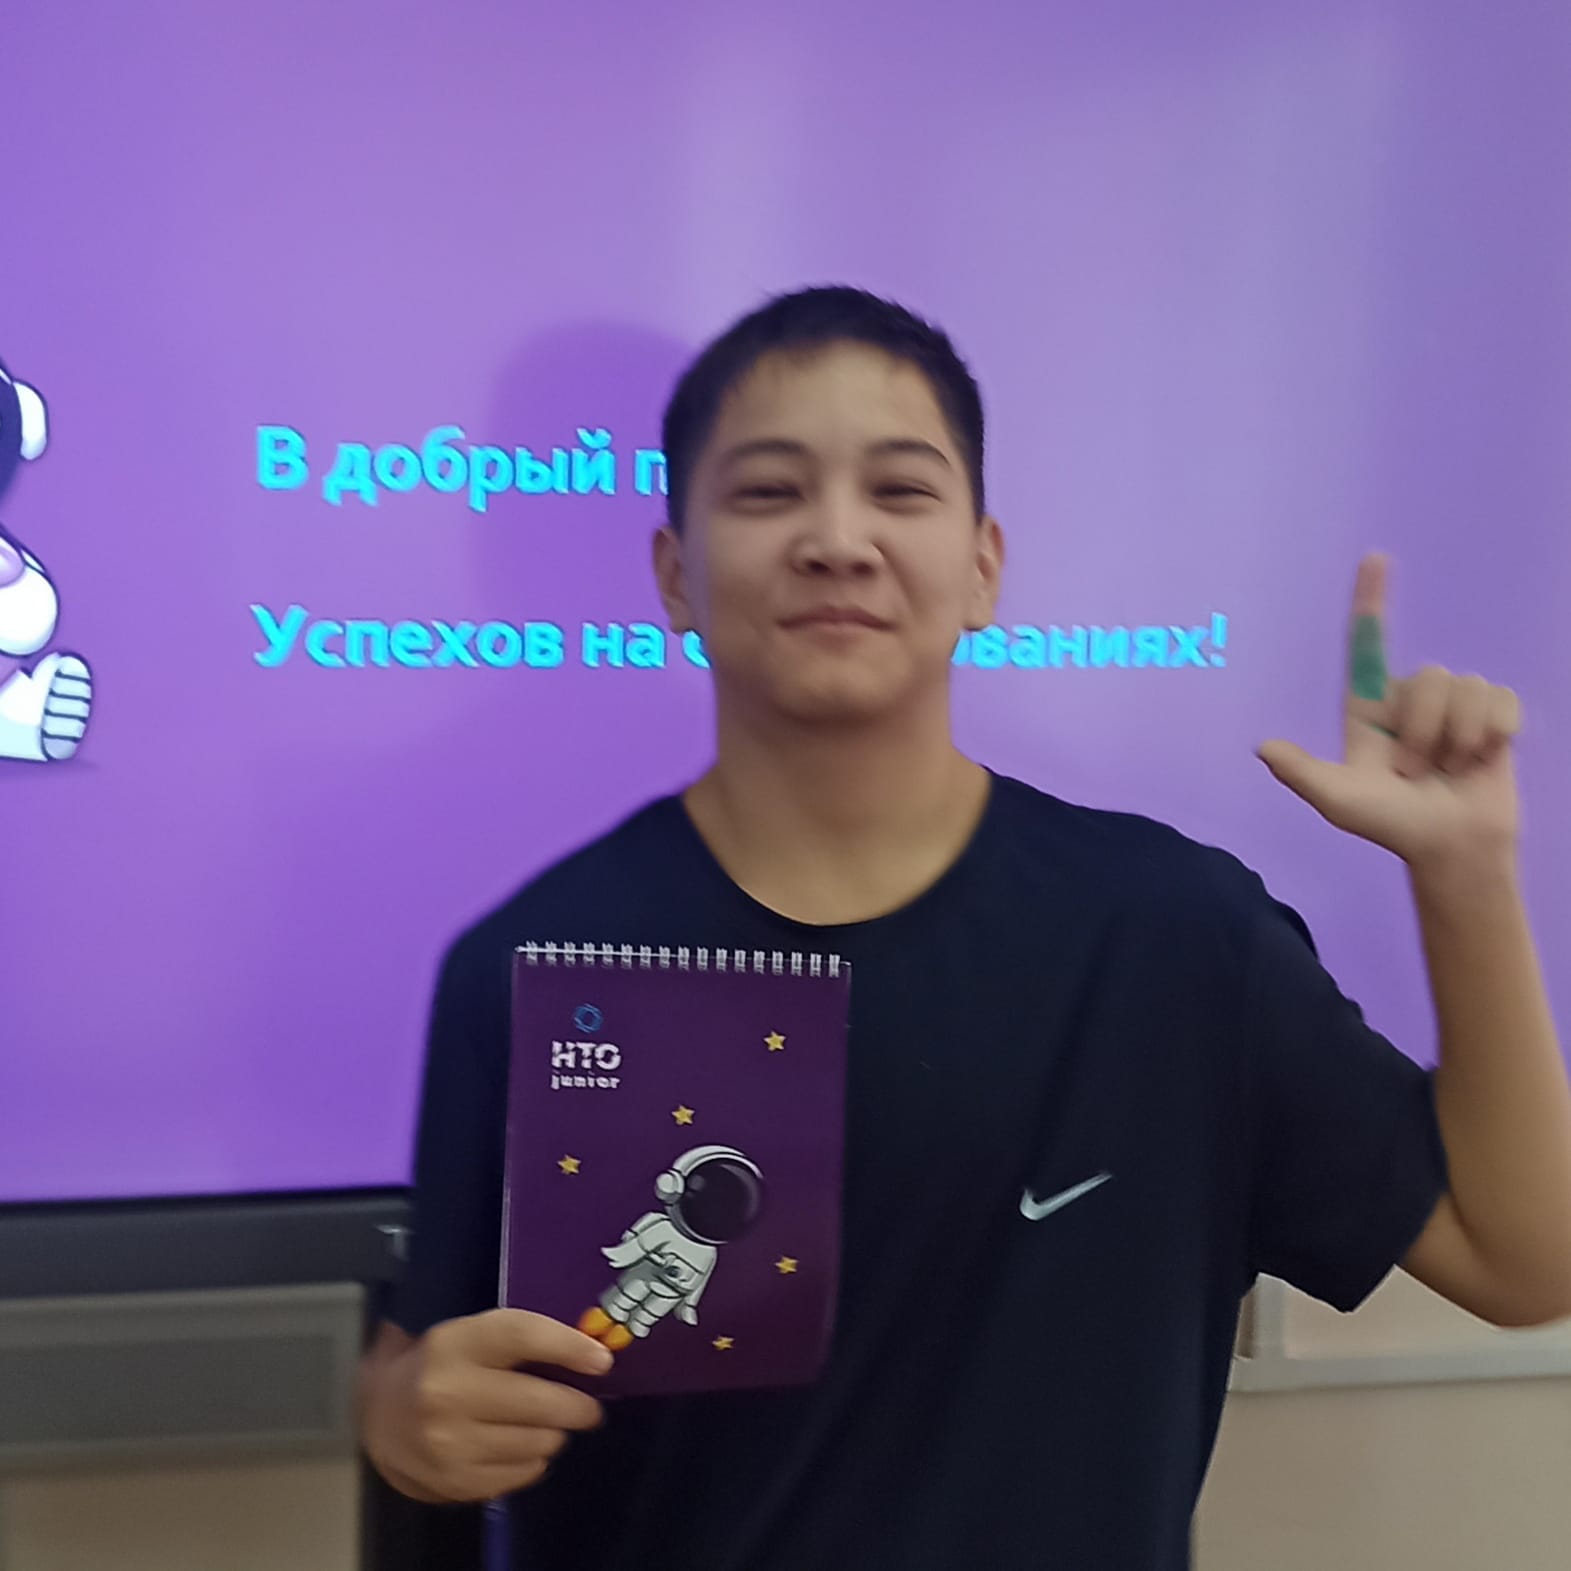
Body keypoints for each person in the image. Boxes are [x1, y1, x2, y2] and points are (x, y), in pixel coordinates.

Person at [356, 286, 1571, 1569]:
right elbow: (423, 1368)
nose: (837, 539)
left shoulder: (1170, 937)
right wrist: (401, 1419)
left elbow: (1522, 1259)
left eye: (898, 490)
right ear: (674, 573)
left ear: (983, 565)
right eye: (768, 492)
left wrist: (1467, 876)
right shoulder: (538, 962)